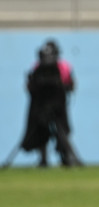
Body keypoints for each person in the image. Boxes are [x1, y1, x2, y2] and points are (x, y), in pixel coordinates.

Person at [20, 39, 82, 167]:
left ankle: (59, 158)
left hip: (51, 105)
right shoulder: (62, 67)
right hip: (52, 105)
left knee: (59, 132)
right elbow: (71, 84)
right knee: (44, 131)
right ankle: (66, 158)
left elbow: (31, 86)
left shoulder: (45, 67)